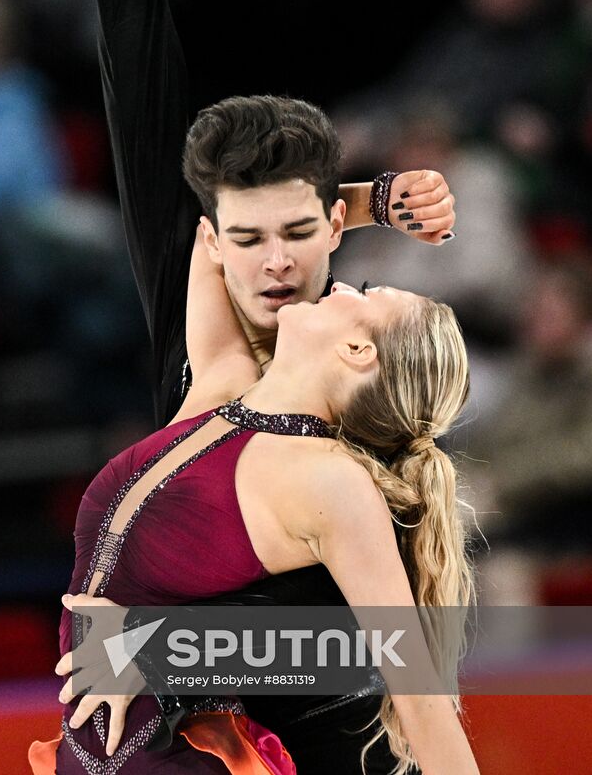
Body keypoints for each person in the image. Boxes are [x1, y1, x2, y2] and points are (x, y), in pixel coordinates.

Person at [51, 0, 459, 774]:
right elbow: (142, 105)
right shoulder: (214, 341)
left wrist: (164, 653)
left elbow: (380, 664)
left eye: (299, 237)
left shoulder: (352, 421)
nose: (274, 264)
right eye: (246, 240)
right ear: (215, 242)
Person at [31, 221, 479, 774]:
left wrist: (160, 651)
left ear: (359, 349)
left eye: (364, 294)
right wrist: (368, 205)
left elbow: (413, 687)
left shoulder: (332, 481)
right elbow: (218, 224)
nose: (340, 284)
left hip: (182, 758)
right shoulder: (222, 383)